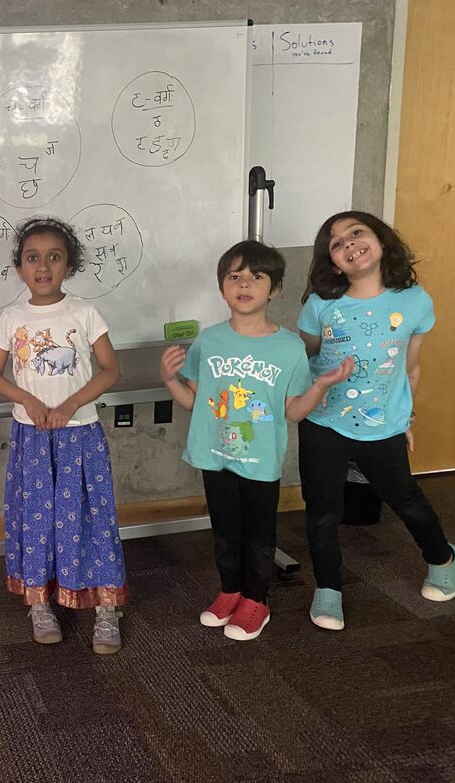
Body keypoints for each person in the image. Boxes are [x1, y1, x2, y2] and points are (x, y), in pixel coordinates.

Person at [160, 241, 353, 641]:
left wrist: (321, 386)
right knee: (225, 531)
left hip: (260, 461)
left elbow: (294, 411)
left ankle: (256, 600)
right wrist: (168, 381)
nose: (244, 284)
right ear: (222, 288)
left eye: (256, 276)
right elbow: (196, 403)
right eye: (234, 276)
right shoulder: (209, 341)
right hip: (215, 457)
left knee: (259, 535)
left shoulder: (288, 347)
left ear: (275, 288)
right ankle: (230, 590)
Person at [297, 211, 455, 630]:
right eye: (336, 243)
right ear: (333, 262)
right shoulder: (321, 305)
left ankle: (443, 556)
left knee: (405, 498)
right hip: (323, 421)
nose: (349, 243)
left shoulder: (414, 301)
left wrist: (407, 417)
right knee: (322, 511)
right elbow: (307, 360)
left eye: (357, 233)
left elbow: (411, 368)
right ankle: (329, 586)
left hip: (383, 423)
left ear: (382, 241)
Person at [0, 216, 128, 654]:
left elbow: (111, 370)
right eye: (32, 258)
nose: (42, 266)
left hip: (79, 434)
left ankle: (106, 610)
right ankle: (39, 602)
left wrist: (70, 404)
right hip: (32, 438)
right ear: (19, 267)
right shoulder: (11, 317)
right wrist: (27, 400)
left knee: (92, 517)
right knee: (37, 520)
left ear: (69, 266)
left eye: (54, 257)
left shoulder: (84, 313)